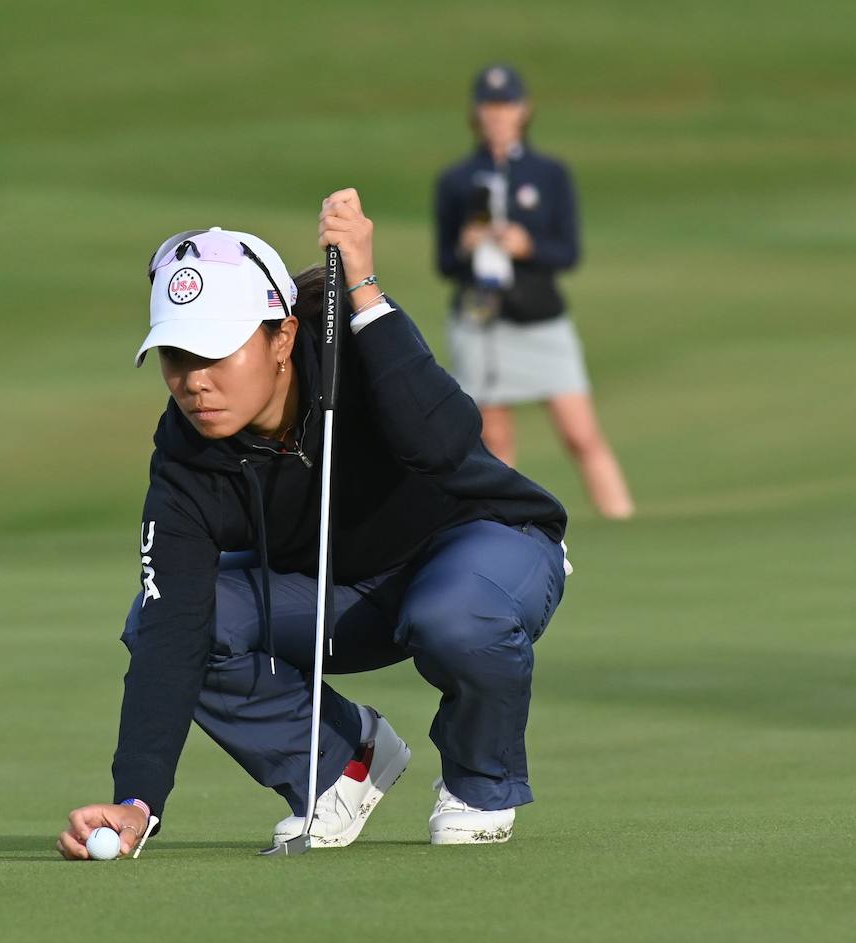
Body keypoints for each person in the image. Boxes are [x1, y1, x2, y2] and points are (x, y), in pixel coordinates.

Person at [57, 189, 571, 859]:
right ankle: (341, 763)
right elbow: (172, 624)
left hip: (484, 547)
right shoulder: (188, 457)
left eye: (216, 350)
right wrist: (136, 800)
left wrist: (363, 289)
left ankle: (482, 782)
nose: (193, 381)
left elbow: (445, 442)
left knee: (455, 615)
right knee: (175, 620)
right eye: (176, 355)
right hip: (345, 589)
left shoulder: (355, 345)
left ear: (283, 337)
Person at [435, 63, 635, 519]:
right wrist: (466, 246)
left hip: (540, 315)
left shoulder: (549, 174)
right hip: (481, 318)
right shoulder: (457, 180)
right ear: (476, 112)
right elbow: (444, 263)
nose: (498, 115)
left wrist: (527, 245)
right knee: (496, 439)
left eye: (506, 106)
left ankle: (623, 520)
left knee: (580, 433)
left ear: (523, 110)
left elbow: (567, 253)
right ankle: (502, 525)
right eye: (489, 106)